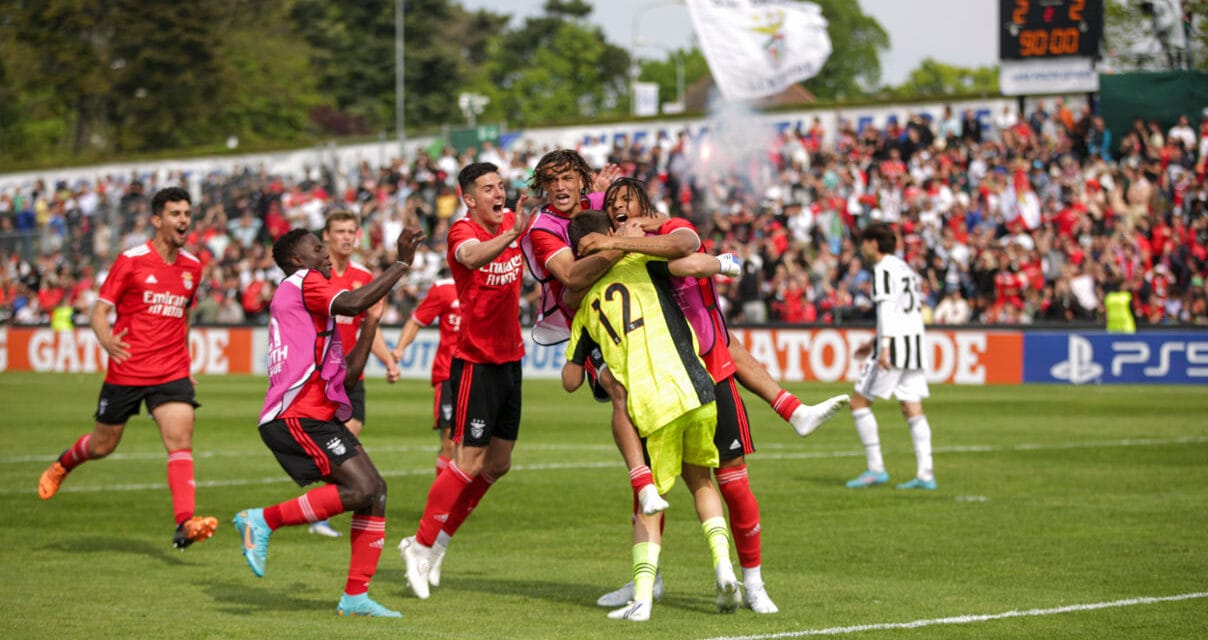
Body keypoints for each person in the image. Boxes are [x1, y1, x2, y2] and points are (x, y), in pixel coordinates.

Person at [584, 177, 849, 612]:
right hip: (659, 385)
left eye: (628, 201)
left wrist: (646, 240)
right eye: (612, 204)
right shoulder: (619, 256)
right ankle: (647, 582)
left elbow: (684, 249)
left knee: (732, 483)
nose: (619, 209)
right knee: (649, 489)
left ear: (647, 206)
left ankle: (754, 583)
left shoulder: (667, 234)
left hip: (711, 373)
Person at [232, 222, 425, 618]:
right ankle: (261, 521)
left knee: (376, 491)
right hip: (295, 414)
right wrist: (401, 263)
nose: (325, 254)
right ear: (299, 260)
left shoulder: (314, 310)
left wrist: (371, 323)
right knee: (360, 488)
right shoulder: (303, 282)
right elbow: (352, 301)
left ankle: (355, 597)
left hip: (316, 413)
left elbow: (349, 376)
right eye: (317, 247)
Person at [562, 210, 740, 622]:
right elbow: (685, 254)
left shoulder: (583, 302)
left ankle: (642, 597)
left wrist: (595, 362)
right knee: (702, 482)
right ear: (607, 234)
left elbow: (570, 380)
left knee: (649, 503)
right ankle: (724, 569)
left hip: (651, 404)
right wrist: (723, 264)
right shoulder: (644, 258)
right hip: (697, 386)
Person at [37, 186, 219, 550]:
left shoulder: (193, 267)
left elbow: (183, 316)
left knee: (180, 440)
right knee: (103, 445)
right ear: (157, 220)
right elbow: (100, 310)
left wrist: (185, 359)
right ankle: (64, 464)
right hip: (128, 369)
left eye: (186, 213)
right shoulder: (132, 260)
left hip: (171, 371)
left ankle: (185, 523)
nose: (183, 220)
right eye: (175, 214)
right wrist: (106, 341)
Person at [398, 162, 530, 600]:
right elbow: (472, 257)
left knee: (498, 465)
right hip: (475, 364)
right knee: (467, 462)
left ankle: (439, 542)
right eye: (488, 188)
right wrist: (513, 234)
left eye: (500, 186)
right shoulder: (462, 232)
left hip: (511, 361)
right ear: (470, 199)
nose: (499, 194)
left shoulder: (512, 219)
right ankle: (417, 546)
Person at [306, 210, 401, 538]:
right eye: (340, 231)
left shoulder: (363, 275)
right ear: (327, 236)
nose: (347, 237)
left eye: (351, 231)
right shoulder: (314, 276)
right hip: (321, 378)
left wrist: (388, 360)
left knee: (346, 441)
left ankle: (320, 509)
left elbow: (368, 327)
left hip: (352, 377)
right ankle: (319, 510)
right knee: (340, 446)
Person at [845, 222, 936, 490]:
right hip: (914, 345)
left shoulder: (883, 269)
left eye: (864, 242)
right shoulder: (904, 268)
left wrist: (882, 347)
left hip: (894, 348)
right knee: (912, 407)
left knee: (859, 403)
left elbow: (886, 310)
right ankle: (926, 474)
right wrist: (874, 342)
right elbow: (904, 311)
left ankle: (875, 469)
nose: (862, 247)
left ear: (874, 243)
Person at [390, 268, 460, 475]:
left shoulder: (490, 283)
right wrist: (400, 349)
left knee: (475, 446)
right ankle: (444, 503)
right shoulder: (444, 289)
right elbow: (417, 320)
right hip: (449, 373)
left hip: (481, 374)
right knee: (450, 442)